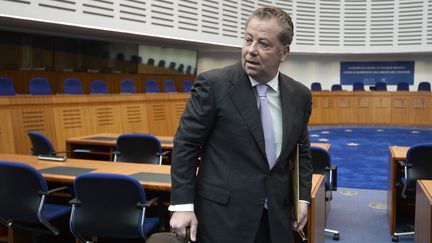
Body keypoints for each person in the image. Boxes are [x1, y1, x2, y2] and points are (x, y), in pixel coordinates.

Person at [169, 5, 313, 243]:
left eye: (264, 44)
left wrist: (302, 198)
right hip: (223, 219)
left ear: (284, 53)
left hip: (277, 219)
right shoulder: (214, 85)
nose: (251, 50)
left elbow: (301, 150)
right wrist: (182, 205)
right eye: (248, 40)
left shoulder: (299, 96)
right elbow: (186, 144)